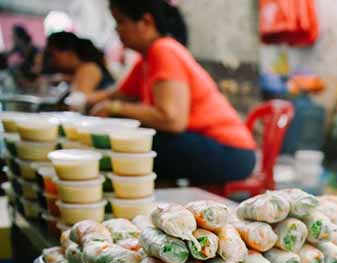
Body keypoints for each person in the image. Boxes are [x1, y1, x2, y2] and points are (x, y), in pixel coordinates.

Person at [88, 0, 255, 185]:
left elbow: (172, 120)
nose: (117, 30)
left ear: (146, 22)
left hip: (230, 152)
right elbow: (117, 95)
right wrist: (82, 99)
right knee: (135, 143)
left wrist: (114, 108)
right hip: (208, 145)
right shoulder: (146, 58)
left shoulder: (164, 50)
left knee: (135, 146)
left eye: (121, 22)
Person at [45, 32, 115, 94]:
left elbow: (79, 102)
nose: (52, 61)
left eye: (52, 55)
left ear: (69, 52)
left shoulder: (88, 69)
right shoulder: (83, 69)